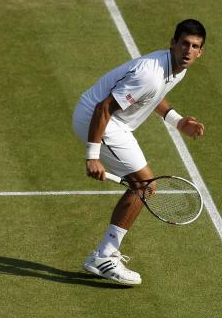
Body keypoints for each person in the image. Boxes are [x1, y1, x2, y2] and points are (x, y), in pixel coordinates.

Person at [72, 19, 207, 286]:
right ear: (173, 43)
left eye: (195, 46)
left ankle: (105, 253)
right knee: (145, 185)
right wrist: (92, 156)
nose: (188, 51)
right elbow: (104, 108)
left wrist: (177, 121)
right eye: (184, 44)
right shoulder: (150, 73)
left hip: (114, 122)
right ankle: (104, 255)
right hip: (100, 119)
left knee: (144, 186)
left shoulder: (177, 69)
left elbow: (153, 96)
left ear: (200, 52)